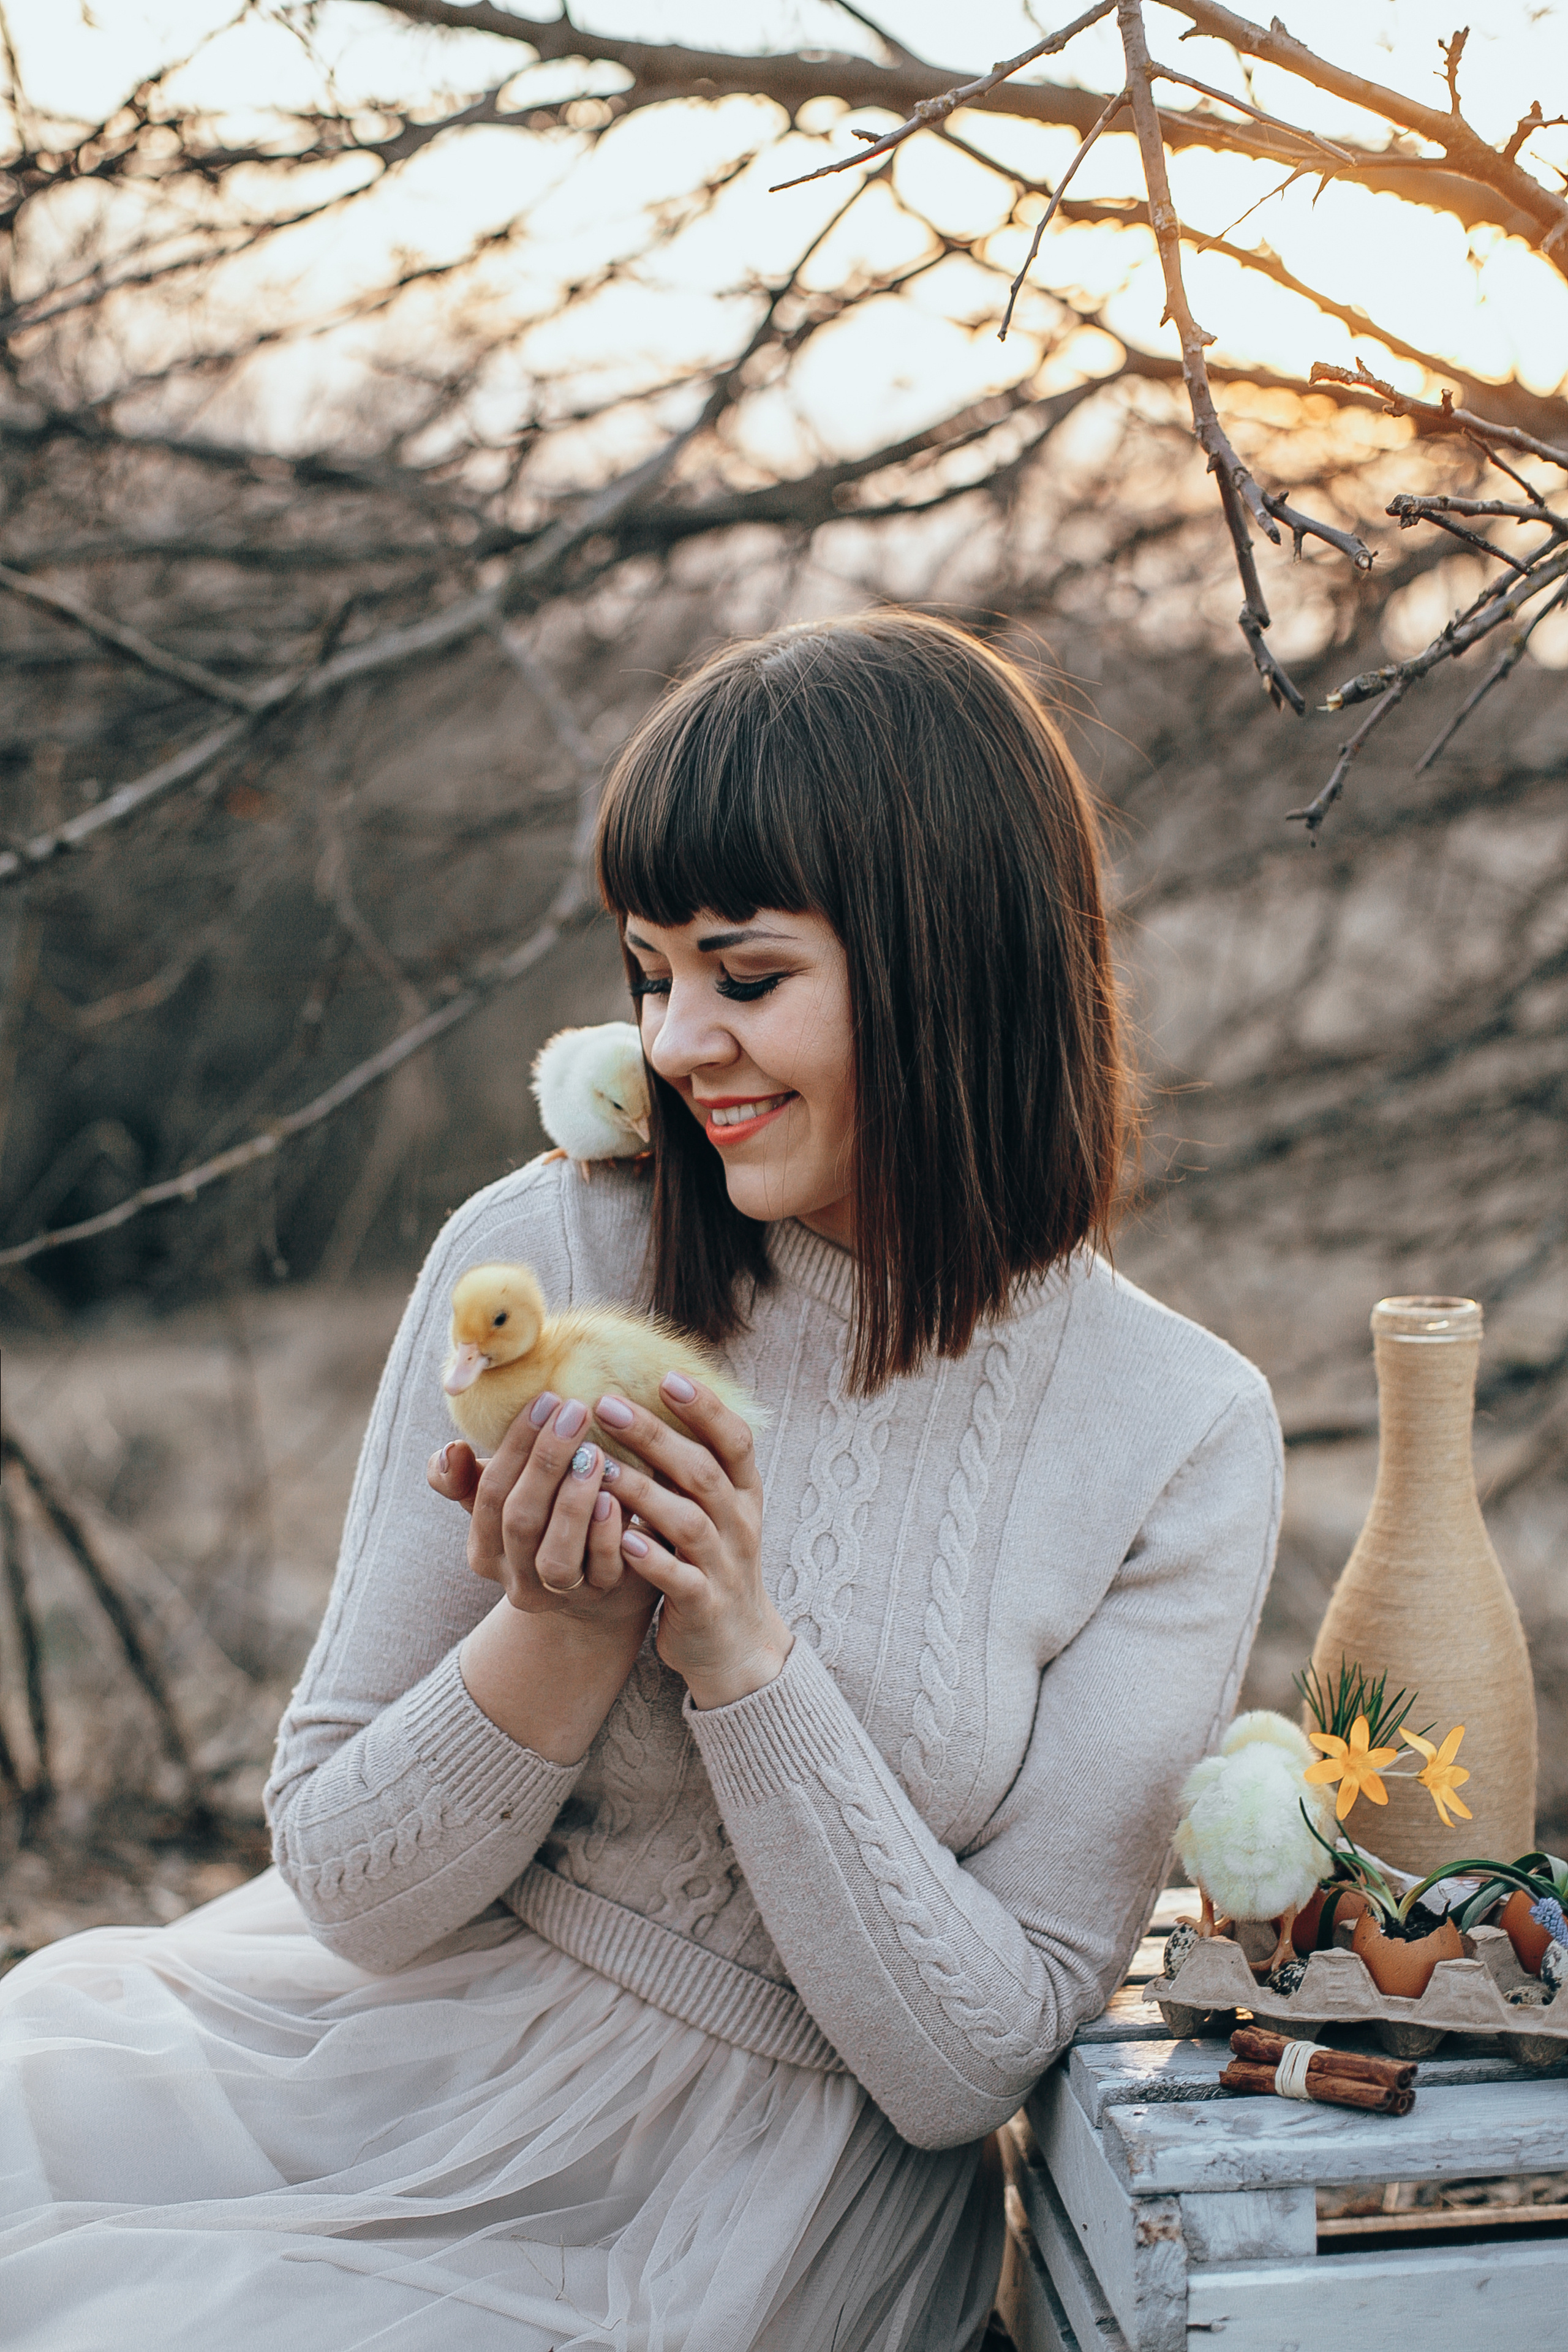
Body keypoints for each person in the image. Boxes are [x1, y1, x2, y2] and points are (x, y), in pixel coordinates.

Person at [0, 612, 1282, 2351]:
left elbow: (974, 2059)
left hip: (770, 2223)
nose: (679, 1045)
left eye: (745, 977)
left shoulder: (1179, 1430)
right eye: (648, 975)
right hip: (393, 2071)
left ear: (951, 963)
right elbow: (346, 1880)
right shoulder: (546, 1250)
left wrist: (744, 1656)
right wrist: (557, 1630)